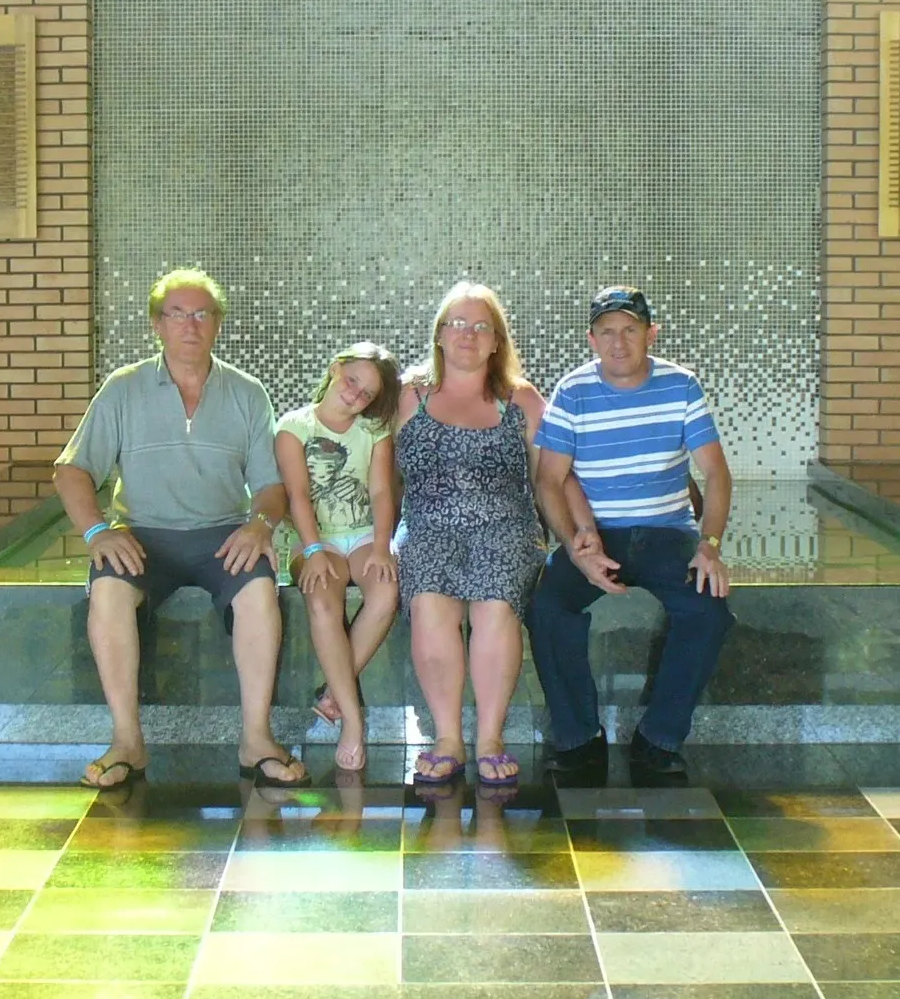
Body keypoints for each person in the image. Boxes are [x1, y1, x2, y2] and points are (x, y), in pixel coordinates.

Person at [52, 268, 309, 791]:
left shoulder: (247, 393)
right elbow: (72, 470)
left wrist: (261, 525)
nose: (190, 325)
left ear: (217, 324)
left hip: (223, 535)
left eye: (201, 314)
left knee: (260, 590)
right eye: (177, 314)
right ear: (157, 325)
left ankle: (256, 739)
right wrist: (98, 531)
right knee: (108, 591)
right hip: (142, 536)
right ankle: (127, 742)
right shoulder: (123, 389)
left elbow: (270, 485)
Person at [530, 285, 734, 778]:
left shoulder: (681, 385)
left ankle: (658, 738)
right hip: (599, 536)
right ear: (591, 339)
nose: (618, 342)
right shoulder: (573, 391)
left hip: (669, 534)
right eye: (606, 332)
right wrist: (577, 547)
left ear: (650, 334)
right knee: (547, 607)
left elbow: (716, 474)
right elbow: (549, 480)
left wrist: (709, 545)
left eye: (629, 330)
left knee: (709, 612)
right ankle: (578, 737)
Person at [394, 282, 548, 786]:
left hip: (506, 525)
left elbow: (550, 479)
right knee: (430, 602)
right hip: (428, 525)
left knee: (496, 603)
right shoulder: (409, 395)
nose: (468, 334)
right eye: (457, 323)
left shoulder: (520, 399)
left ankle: (489, 739)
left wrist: (579, 536)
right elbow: (381, 474)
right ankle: (447, 738)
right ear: (439, 334)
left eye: (482, 326)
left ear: (497, 341)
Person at [275, 342, 403, 772]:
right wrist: (313, 551)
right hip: (317, 539)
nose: (354, 395)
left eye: (366, 393)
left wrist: (382, 546)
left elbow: (381, 492)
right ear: (334, 370)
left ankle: (333, 693)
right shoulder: (295, 426)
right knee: (322, 603)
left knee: (386, 592)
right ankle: (352, 720)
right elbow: (297, 495)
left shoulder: (373, 431)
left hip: (364, 534)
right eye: (351, 381)